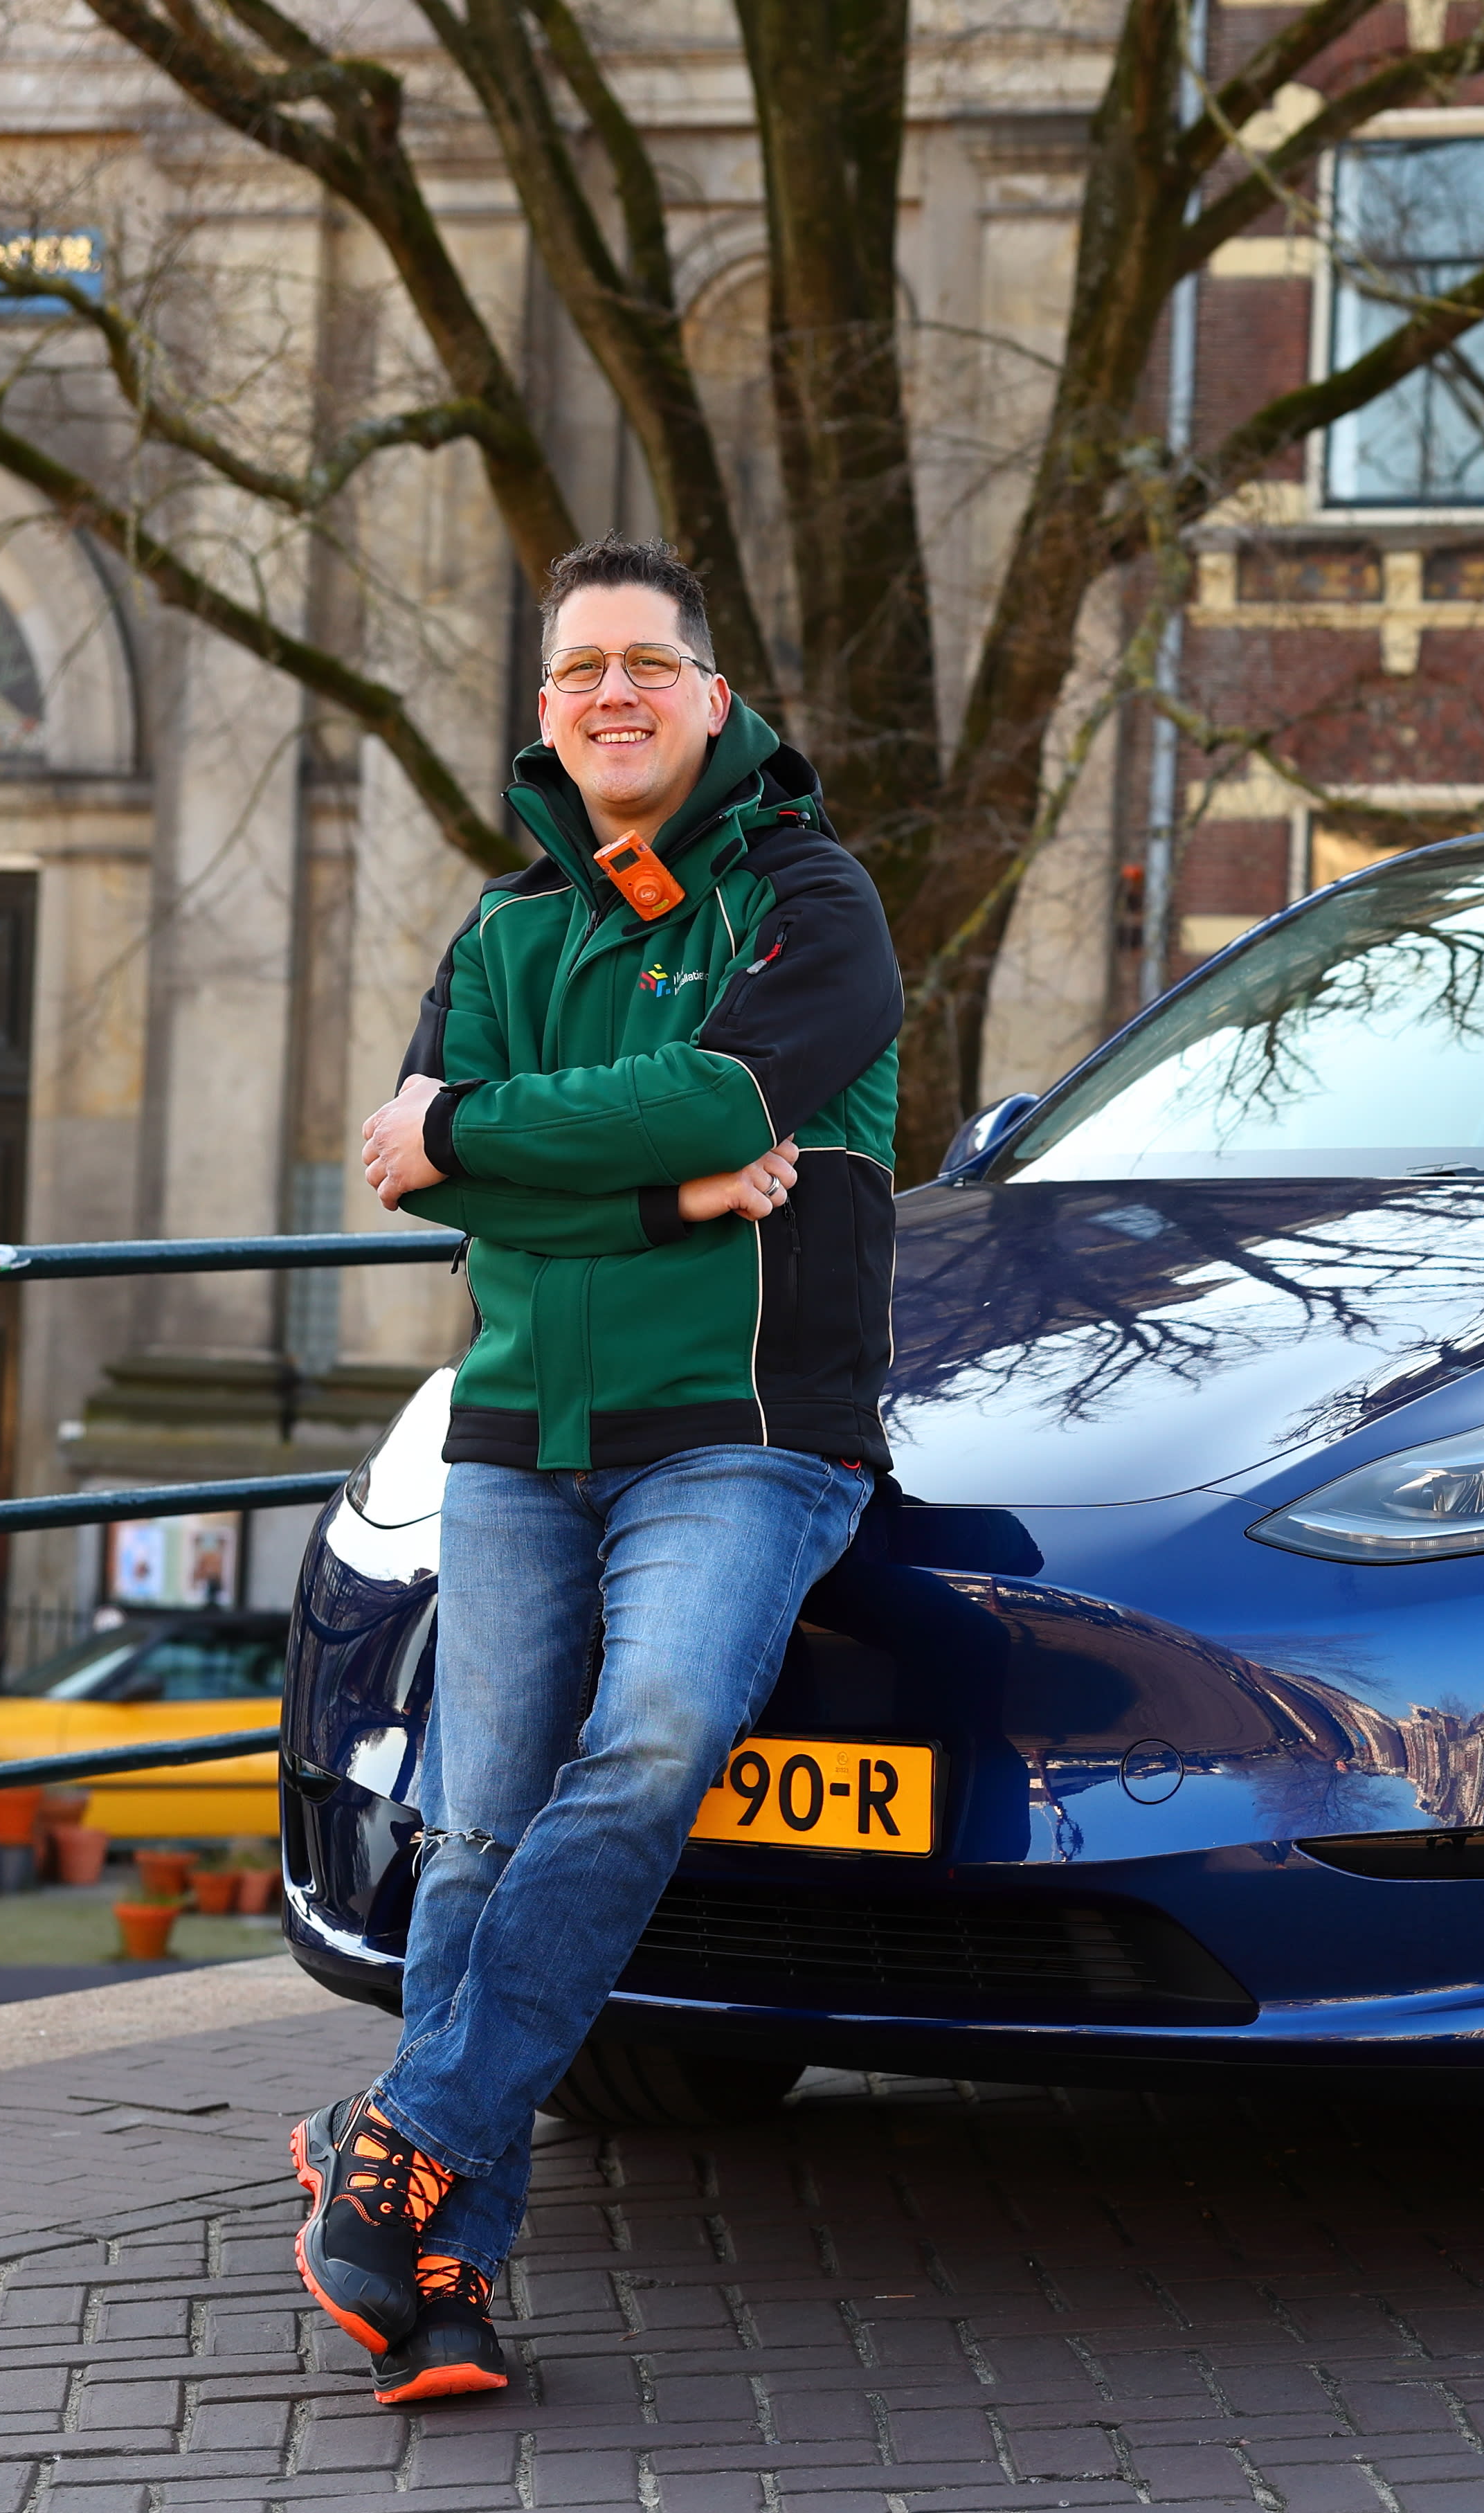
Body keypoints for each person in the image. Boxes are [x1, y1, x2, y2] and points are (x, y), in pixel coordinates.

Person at [293, 534, 901, 2404]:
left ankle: (401, 2128)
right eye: (579, 673)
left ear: (714, 699)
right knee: (472, 1829)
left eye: (648, 664)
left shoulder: (813, 900)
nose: (613, 695)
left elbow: (718, 1096)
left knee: (642, 1761)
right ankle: (441, 2278)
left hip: (743, 1439)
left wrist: (501, 1136)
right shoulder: (503, 931)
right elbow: (412, 1178)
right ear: (546, 714)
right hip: (515, 1440)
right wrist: (658, 1193)